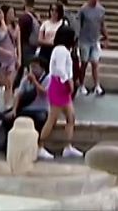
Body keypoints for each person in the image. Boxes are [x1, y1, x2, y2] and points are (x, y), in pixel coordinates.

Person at [37, 28, 82, 159]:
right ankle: (40, 146)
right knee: (52, 118)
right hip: (59, 85)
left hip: (61, 86)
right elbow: (61, 69)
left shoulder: (61, 50)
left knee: (71, 116)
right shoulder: (61, 50)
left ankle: (68, 146)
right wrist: (69, 81)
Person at [74, 0, 108, 97]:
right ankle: (82, 84)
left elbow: (102, 24)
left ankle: (97, 85)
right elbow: (78, 24)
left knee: (95, 63)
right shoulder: (83, 9)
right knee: (84, 63)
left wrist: (106, 36)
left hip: (95, 39)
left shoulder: (101, 10)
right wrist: (76, 38)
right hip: (84, 40)